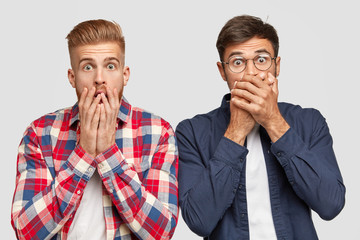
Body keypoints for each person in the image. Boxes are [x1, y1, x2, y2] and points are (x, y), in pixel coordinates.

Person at [175, 15, 345, 239]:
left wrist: (274, 121)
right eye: (238, 62)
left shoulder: (309, 121)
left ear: (277, 65)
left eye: (262, 60)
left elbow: (331, 204)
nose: (251, 73)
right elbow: (199, 221)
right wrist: (235, 131)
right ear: (222, 71)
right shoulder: (192, 132)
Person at [11, 19, 178, 240]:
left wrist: (109, 152)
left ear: (125, 74)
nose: (99, 79)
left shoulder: (158, 132)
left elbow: (161, 231)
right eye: (87, 67)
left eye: (110, 66)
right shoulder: (40, 133)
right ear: (72, 77)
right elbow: (27, 232)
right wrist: (84, 152)